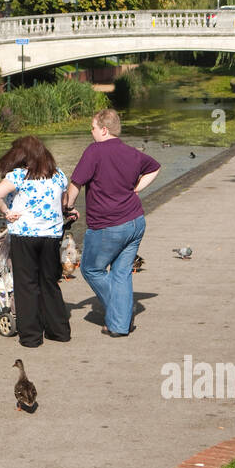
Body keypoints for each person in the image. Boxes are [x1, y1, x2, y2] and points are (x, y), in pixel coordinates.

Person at [66, 109, 160, 337]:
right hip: (135, 222)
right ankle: (119, 324)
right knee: (121, 273)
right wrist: (136, 190)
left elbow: (76, 184)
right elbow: (155, 167)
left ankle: (122, 313)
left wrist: (67, 208)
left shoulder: (94, 151)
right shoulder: (130, 152)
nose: (91, 131)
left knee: (91, 269)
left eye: (93, 127)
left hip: (108, 226)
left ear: (104, 129)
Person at [0, 136, 70, 348]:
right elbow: (64, 203)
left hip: (25, 235)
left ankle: (31, 337)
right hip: (51, 235)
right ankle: (59, 331)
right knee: (50, 283)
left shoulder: (18, 176)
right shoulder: (58, 175)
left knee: (26, 285)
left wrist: (7, 212)